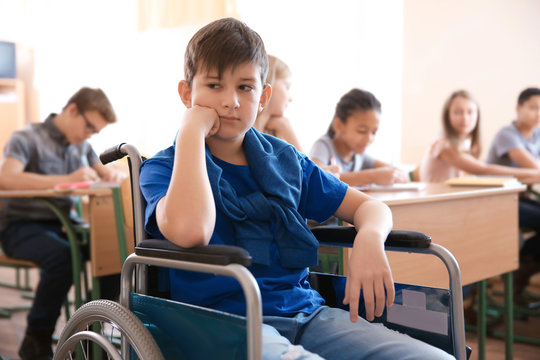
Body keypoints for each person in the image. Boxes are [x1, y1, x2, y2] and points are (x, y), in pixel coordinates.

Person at [139, 17, 452, 359]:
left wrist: (369, 239)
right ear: (187, 93)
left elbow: (371, 208)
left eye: (245, 87)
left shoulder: (286, 160)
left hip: (305, 313)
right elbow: (191, 230)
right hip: (219, 323)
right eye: (214, 85)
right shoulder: (163, 168)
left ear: (263, 97)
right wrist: (190, 132)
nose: (231, 101)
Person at [0, 87, 124, 360]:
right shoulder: (26, 138)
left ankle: (90, 327)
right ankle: (37, 337)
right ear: (71, 110)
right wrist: (66, 180)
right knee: (64, 256)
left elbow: (108, 174)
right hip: (22, 226)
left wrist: (113, 177)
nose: (90, 135)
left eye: (95, 132)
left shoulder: (83, 145)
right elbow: (7, 178)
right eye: (89, 126)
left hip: (67, 225)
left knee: (116, 250)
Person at [485, 87, 540, 304]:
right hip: (498, 200)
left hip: (520, 197)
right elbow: (533, 168)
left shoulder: (536, 135)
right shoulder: (507, 134)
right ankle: (522, 263)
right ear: (519, 109)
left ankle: (525, 263)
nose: (538, 113)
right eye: (533, 108)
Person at [419, 89, 540, 183]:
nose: (465, 118)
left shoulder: (466, 145)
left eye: (470, 112)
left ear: (478, 115)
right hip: (437, 207)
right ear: (447, 115)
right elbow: (483, 169)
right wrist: (534, 174)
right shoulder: (444, 145)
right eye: (458, 112)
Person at [310, 88, 409, 185]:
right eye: (362, 131)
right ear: (339, 126)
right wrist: (372, 177)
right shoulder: (323, 146)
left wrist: (396, 174)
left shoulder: (358, 155)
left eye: (374, 132)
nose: (369, 139)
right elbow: (315, 177)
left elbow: (395, 171)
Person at [253, 54, 303, 151]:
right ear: (269, 82)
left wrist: (284, 126)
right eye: (287, 87)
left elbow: (306, 166)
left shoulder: (272, 135)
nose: (290, 98)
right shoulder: (244, 133)